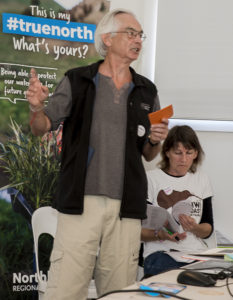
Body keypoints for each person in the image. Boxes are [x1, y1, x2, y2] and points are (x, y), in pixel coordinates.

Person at [26, 8, 169, 300]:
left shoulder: (147, 91)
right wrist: (36, 108)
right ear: (107, 38)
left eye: (140, 34)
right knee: (65, 288)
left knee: (119, 291)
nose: (138, 39)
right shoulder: (77, 80)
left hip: (126, 207)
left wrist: (156, 140)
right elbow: (41, 128)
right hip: (81, 201)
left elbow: (150, 154)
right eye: (131, 32)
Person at [141, 125, 214, 276]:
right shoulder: (151, 179)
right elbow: (138, 231)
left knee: (218, 275)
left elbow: (208, 228)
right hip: (161, 253)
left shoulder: (202, 179)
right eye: (178, 153)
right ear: (167, 152)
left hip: (195, 253)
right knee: (169, 273)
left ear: (196, 154)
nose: (184, 159)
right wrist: (161, 235)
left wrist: (194, 228)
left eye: (189, 153)